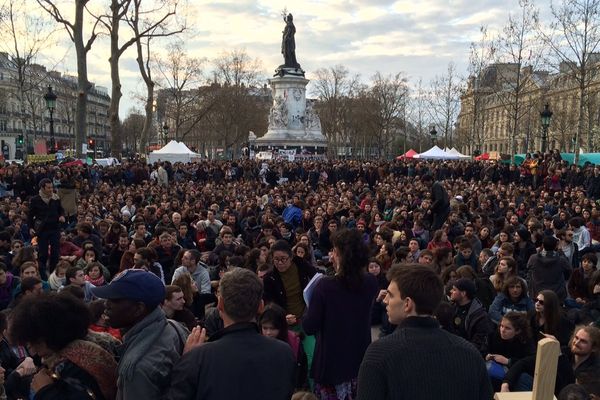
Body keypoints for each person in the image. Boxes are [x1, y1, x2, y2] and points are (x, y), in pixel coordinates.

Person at [357, 264, 493, 400]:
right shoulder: (469, 353)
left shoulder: (379, 353)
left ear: (407, 304)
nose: (385, 301)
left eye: (391, 296)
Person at [165, 268, 296, 400]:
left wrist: (186, 361)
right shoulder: (284, 352)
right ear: (261, 306)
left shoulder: (199, 358)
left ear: (220, 304)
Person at [302, 229, 378, 399]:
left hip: (331, 364)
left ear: (341, 255)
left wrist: (310, 305)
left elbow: (309, 326)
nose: (331, 256)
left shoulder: (325, 287)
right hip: (360, 359)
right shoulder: (371, 282)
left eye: (334, 252)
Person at [90, 269, 188, 399]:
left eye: (114, 300)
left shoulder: (137, 369)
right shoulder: (173, 326)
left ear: (139, 309)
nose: (106, 304)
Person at [9, 292, 117, 400]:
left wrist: (44, 391)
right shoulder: (83, 350)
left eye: (35, 340)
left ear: (50, 335)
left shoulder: (72, 368)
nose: (31, 347)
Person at [28, 178, 65, 279]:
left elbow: (61, 210)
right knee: (43, 253)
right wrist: (30, 227)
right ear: (42, 188)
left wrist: (62, 215)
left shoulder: (55, 198)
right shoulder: (35, 200)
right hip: (42, 230)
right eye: (48, 188)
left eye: (51, 187)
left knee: (55, 253)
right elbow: (30, 215)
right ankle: (42, 273)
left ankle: (53, 273)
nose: (51, 189)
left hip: (54, 228)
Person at [449, 278, 495, 355]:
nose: (451, 291)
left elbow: (480, 344)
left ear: (463, 293)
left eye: (454, 290)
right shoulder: (451, 308)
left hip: (467, 354)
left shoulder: (480, 317)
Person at [527, 235, 572, 302]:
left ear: (542, 245)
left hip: (537, 292)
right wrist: (560, 251)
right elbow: (568, 271)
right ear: (556, 246)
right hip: (557, 293)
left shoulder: (533, 258)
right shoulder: (561, 260)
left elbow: (528, 269)